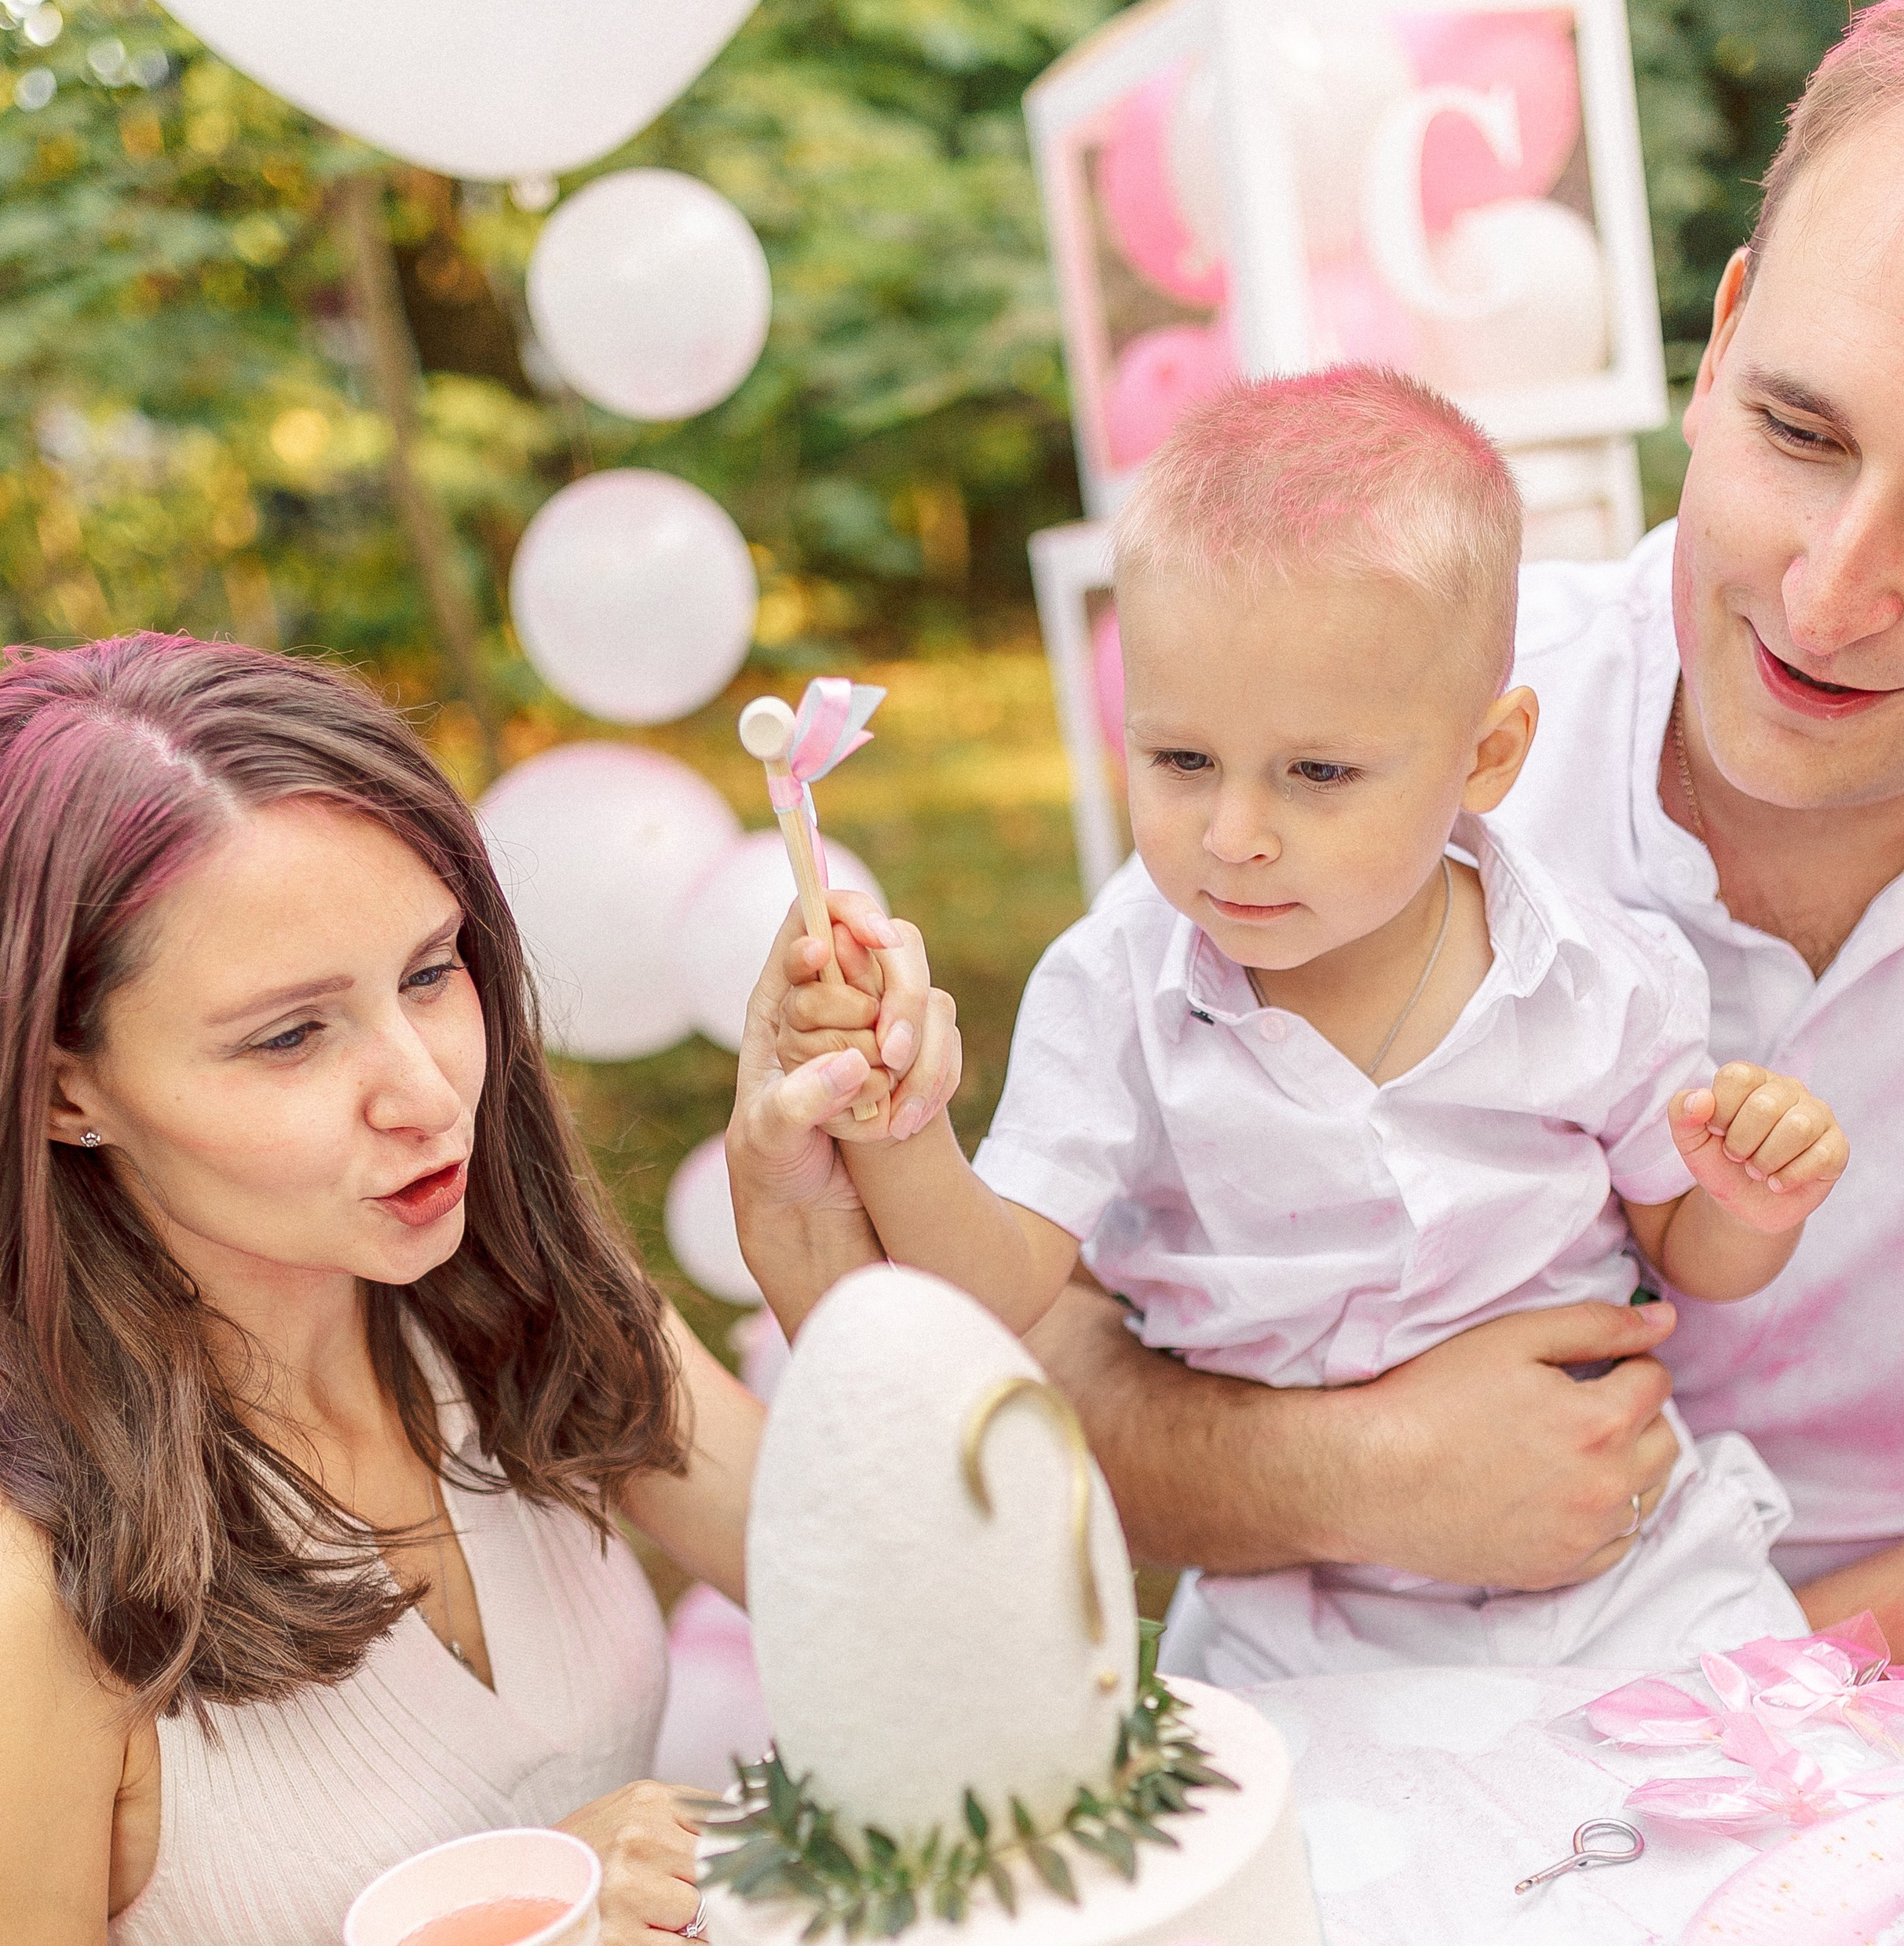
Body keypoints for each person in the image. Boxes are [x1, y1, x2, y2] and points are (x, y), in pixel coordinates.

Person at [0, 634, 949, 1946]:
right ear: (70, 1088)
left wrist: (814, 1222)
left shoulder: (501, 1304)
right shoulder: (38, 1586)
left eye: (431, 973)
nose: (423, 1088)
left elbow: (911, 1609)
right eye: (290, 1039)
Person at [1003, 0, 1904, 1664]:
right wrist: (1346, 1474)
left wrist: (1730, 1696)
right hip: (1373, 1722)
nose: (1828, 596)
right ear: (1719, 341)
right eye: (1795, 429)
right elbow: (1025, 1365)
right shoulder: (1366, 732)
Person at [769, 371, 1847, 1680]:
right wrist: (901, 1127)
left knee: (1762, 1762)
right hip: (1299, 1618)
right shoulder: (1117, 991)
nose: (1234, 834)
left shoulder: (1594, 979)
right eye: (1181, 760)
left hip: (1622, 1572)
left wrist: (1752, 1200)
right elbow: (994, 1289)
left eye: (1318, 773)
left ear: (1487, 757)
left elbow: (1695, 1253)